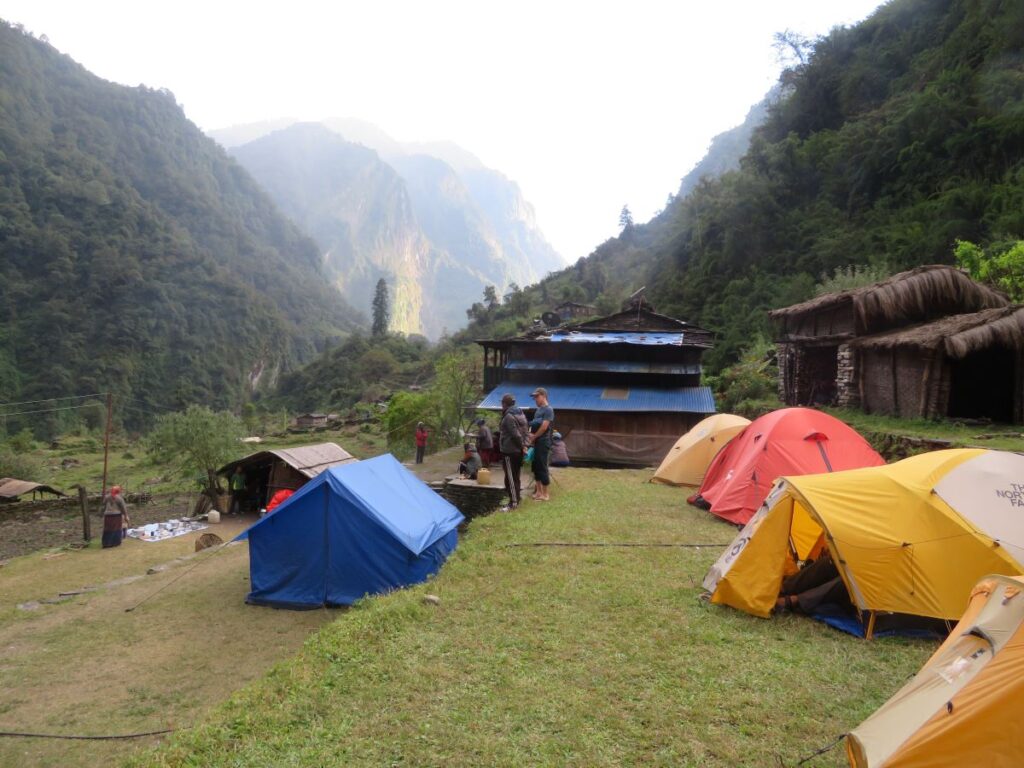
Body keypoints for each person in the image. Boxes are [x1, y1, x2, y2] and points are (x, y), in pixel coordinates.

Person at [498, 393, 530, 509]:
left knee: (510, 478)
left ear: (504, 404)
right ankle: (516, 498)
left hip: (510, 451)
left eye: (502, 403)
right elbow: (526, 432)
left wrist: (521, 446)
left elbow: (515, 435)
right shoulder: (521, 414)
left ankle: (513, 503)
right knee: (515, 476)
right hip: (518, 451)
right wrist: (525, 446)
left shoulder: (508, 417)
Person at [526, 387, 555, 501]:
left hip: (543, 441)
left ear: (543, 396)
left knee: (542, 467)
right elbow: (533, 426)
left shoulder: (549, 410)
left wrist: (534, 436)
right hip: (536, 442)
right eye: (534, 397)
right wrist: (530, 438)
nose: (535, 399)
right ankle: (538, 492)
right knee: (535, 466)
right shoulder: (538, 410)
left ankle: (545, 494)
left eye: (537, 397)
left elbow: (544, 427)